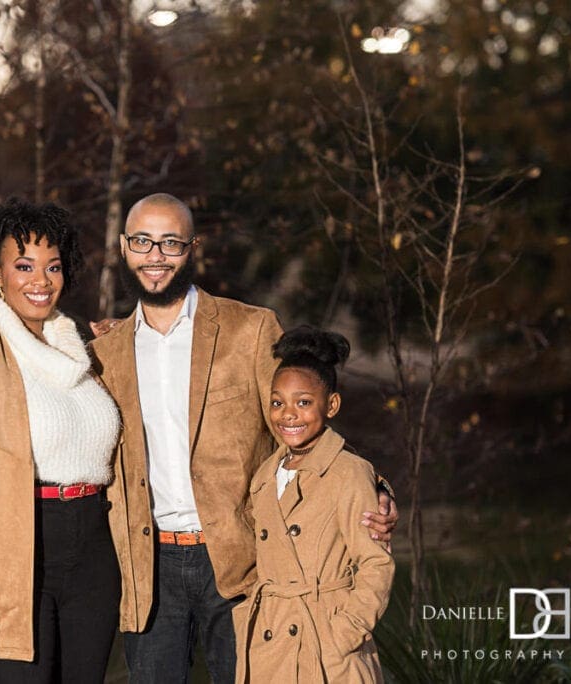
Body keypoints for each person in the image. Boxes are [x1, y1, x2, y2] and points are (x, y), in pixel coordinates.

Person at [90, 193, 398, 683]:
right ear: (124, 248)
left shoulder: (250, 329)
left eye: (170, 242)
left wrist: (374, 487)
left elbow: (301, 417)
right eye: (143, 241)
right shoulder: (103, 353)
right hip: (149, 570)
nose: (156, 255)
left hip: (246, 559)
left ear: (193, 248)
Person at [0, 198, 122, 683]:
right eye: (24, 265)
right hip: (14, 555)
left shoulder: (85, 356)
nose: (41, 280)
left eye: (53, 267)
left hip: (94, 551)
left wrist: (125, 343)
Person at [234, 326, 394, 683]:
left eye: (303, 402)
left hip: (328, 647)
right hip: (271, 638)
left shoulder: (348, 472)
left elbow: (375, 563)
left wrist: (344, 633)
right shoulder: (265, 473)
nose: (288, 414)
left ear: (331, 405)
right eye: (278, 402)